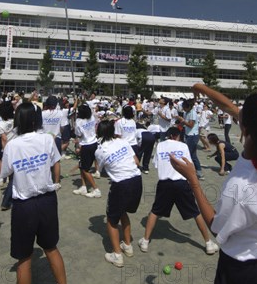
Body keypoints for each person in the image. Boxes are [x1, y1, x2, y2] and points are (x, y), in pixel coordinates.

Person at [170, 84, 257, 284]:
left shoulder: (243, 185)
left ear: (244, 128)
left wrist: (193, 181)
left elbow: (216, 227)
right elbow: (229, 106)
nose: (235, 110)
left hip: (246, 272)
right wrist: (202, 88)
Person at [0, 103, 72, 284]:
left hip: (24, 204)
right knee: (51, 248)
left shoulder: (12, 145)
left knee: (24, 257)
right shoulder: (47, 140)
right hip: (47, 200)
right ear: (36, 120)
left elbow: (5, 173)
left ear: (18, 121)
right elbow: (55, 163)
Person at [138, 127, 218, 255]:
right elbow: (189, 166)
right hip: (181, 182)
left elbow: (156, 164)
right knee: (195, 212)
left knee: (155, 211)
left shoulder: (160, 145)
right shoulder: (183, 146)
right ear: (176, 136)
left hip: (164, 183)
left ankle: (145, 241)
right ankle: (208, 243)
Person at [95, 119, 142, 268]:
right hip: (136, 180)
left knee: (111, 220)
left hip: (121, 184)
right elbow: (137, 162)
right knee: (123, 213)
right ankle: (127, 245)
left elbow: (100, 169)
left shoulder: (100, 150)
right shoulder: (123, 142)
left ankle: (117, 255)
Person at [73, 103, 101, 198]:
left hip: (86, 145)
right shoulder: (92, 117)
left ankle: (96, 189)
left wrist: (78, 144)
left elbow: (79, 134)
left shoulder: (79, 121)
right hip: (94, 143)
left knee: (85, 169)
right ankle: (83, 186)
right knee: (82, 166)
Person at [176, 99, 204, 180]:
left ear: (188, 107)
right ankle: (198, 172)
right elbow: (184, 123)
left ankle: (192, 172)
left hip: (193, 136)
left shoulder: (193, 113)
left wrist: (183, 121)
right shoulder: (187, 113)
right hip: (188, 135)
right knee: (193, 155)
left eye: (184, 107)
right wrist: (178, 124)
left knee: (189, 154)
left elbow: (190, 125)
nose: (183, 109)